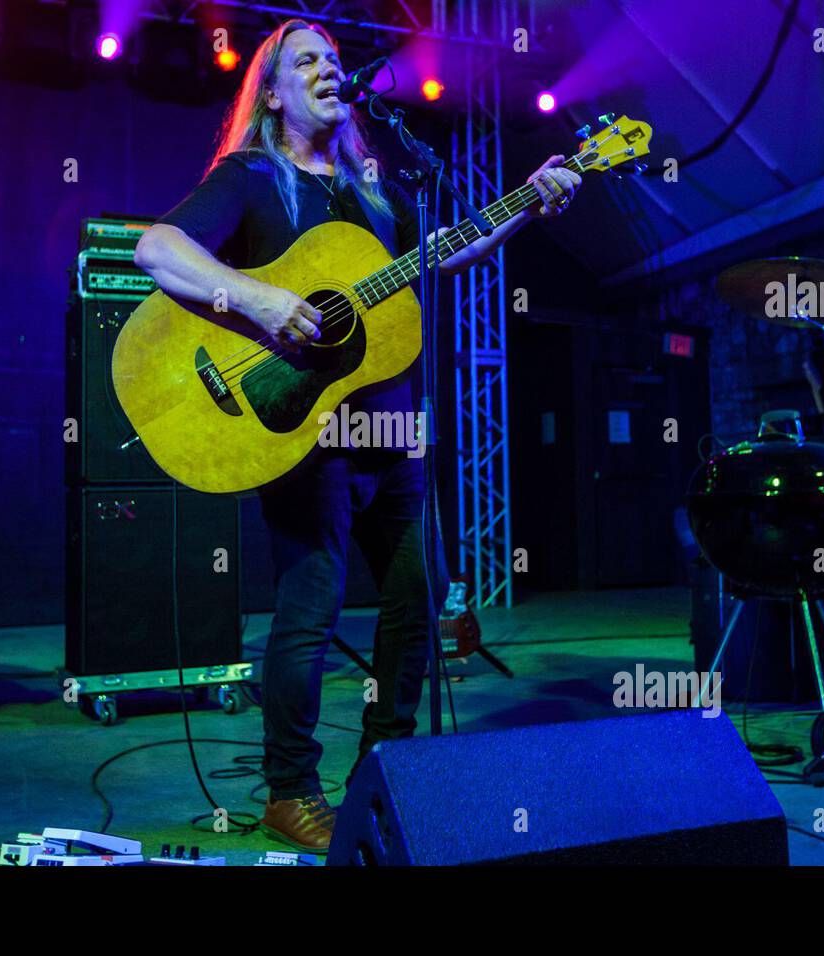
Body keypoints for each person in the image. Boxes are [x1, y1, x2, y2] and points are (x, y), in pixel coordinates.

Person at [133, 19, 581, 852]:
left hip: (392, 429)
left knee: (418, 602)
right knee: (312, 605)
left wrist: (533, 196)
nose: (329, 70)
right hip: (303, 432)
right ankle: (290, 790)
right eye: (308, 62)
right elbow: (157, 247)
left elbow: (449, 251)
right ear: (271, 93)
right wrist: (261, 301)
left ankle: (387, 767)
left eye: (336, 61)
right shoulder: (253, 177)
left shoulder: (372, 189)